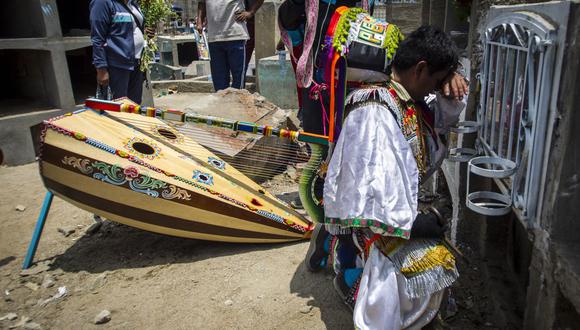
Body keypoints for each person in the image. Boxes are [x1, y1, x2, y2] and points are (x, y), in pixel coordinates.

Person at [305, 25, 466, 329]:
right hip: (371, 218)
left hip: (392, 209)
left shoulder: (406, 98)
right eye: (436, 80)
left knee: (433, 255)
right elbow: (371, 197)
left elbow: (442, 119)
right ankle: (352, 278)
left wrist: (451, 81)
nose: (436, 89)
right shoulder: (375, 110)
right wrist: (415, 224)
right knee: (421, 267)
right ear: (420, 69)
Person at [90, 0, 151, 103]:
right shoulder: (103, 3)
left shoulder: (132, 4)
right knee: (118, 105)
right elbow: (97, 38)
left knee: (134, 104)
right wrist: (101, 69)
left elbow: (132, 28)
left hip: (137, 63)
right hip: (117, 65)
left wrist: (145, 33)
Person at [196, 0, 250, 91]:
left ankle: (236, 104)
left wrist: (250, 13)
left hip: (235, 35)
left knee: (238, 79)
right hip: (214, 37)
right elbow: (202, 3)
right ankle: (222, 104)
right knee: (219, 80)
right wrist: (200, 21)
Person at [237, 0, 265, 73]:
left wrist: (251, 12)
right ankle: (241, 80)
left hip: (258, 20)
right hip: (247, 22)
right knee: (243, 57)